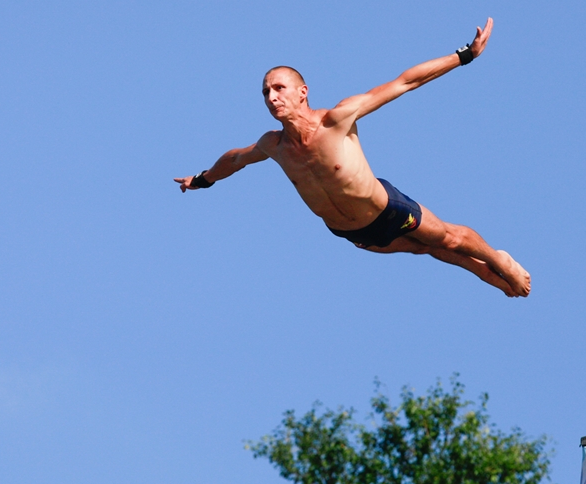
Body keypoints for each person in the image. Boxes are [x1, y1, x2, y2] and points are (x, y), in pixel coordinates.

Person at [174, 18, 531, 297]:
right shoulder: (273, 145)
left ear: (303, 92)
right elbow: (235, 160)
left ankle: (499, 260)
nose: (271, 97)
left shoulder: (339, 118)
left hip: (388, 208)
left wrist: (464, 55)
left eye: (278, 88)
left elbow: (405, 82)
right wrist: (203, 179)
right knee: (426, 251)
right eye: (265, 92)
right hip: (350, 233)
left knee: (446, 239)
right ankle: (493, 279)